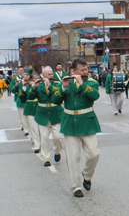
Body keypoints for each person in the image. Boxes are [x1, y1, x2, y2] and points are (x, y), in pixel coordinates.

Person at [53, 58, 101, 198]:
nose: (85, 72)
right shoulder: (65, 83)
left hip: (87, 122)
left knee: (94, 154)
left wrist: (81, 83)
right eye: (82, 70)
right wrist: (63, 87)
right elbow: (56, 101)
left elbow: (94, 96)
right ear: (74, 71)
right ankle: (76, 186)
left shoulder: (92, 83)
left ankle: (87, 175)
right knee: (73, 157)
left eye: (86, 70)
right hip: (70, 123)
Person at [28, 67, 63, 167]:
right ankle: (46, 158)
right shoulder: (39, 85)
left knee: (58, 137)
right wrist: (34, 87)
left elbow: (59, 93)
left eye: (52, 74)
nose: (51, 76)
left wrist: (49, 85)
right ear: (43, 75)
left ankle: (57, 151)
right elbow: (30, 97)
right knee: (44, 137)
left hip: (55, 113)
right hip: (42, 114)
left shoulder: (57, 83)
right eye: (48, 74)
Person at [18, 73, 41, 153]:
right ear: (31, 80)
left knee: (40, 128)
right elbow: (22, 98)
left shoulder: (41, 87)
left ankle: (40, 142)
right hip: (30, 109)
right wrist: (24, 87)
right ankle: (37, 145)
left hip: (39, 109)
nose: (37, 79)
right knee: (34, 128)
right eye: (35, 78)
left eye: (37, 78)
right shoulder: (27, 87)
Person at [9, 66, 29, 134]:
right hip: (19, 98)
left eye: (22, 70)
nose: (21, 71)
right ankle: (24, 127)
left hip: (28, 100)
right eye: (19, 70)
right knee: (21, 114)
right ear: (17, 71)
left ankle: (27, 127)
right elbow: (11, 88)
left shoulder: (28, 81)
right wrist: (16, 89)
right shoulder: (15, 79)